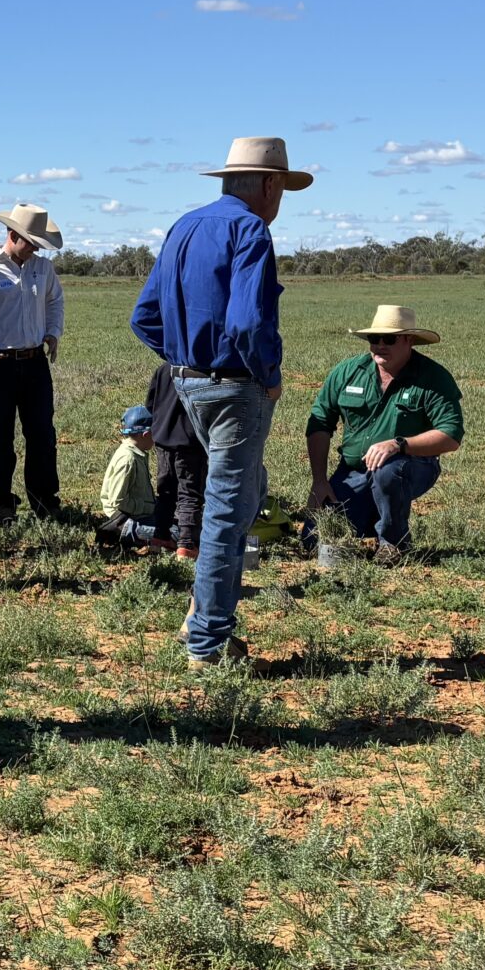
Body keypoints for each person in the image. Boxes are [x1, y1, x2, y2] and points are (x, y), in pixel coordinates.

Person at [131, 136, 306, 666]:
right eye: (283, 189)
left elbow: (145, 316)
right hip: (236, 387)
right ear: (270, 184)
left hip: (190, 383)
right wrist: (266, 373)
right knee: (228, 511)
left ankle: (201, 613)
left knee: (245, 494)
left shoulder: (184, 225)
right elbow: (250, 322)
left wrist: (188, 361)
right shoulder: (250, 228)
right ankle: (206, 641)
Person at [303, 303, 465, 562]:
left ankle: (394, 542)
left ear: (408, 340)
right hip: (353, 471)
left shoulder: (433, 377)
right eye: (373, 338)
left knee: (388, 471)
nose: (379, 345)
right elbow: (320, 422)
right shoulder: (348, 372)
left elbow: (451, 434)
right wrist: (319, 480)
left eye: (388, 339)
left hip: (411, 466)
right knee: (314, 538)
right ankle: (373, 515)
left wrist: (399, 445)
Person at [0, 202, 67, 523]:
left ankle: (45, 501)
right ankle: (2, 502)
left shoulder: (43, 269)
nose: (35, 249)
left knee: (42, 434)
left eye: (38, 245)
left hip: (34, 361)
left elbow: (55, 301)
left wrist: (52, 332)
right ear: (12, 235)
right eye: (31, 243)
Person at [143, 359, 204, 561]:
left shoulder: (163, 369)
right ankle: (187, 544)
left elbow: (150, 405)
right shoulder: (199, 371)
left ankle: (160, 537)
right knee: (190, 493)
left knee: (165, 491)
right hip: (189, 443)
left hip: (162, 440)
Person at [97, 405, 161, 547]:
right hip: (124, 518)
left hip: (138, 513)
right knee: (170, 534)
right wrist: (148, 508)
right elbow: (117, 502)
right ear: (145, 434)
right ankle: (122, 533)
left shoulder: (137, 453)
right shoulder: (128, 460)